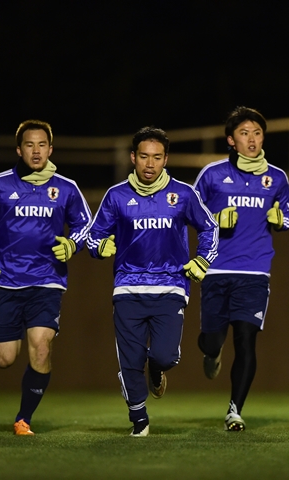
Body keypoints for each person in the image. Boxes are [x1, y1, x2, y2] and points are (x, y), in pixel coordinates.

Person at [87, 126, 218, 437]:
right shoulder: (116, 195)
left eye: (156, 157)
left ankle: (157, 371)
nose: (150, 164)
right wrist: (99, 248)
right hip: (127, 287)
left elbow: (209, 228)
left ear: (165, 159)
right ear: (133, 158)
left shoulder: (183, 193)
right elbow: (93, 236)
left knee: (164, 355)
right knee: (130, 360)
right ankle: (139, 420)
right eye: (143, 156)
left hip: (171, 287)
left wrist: (202, 260)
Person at [0, 119, 92, 435]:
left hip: (46, 281)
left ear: (50, 149)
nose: (35, 151)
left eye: (41, 145)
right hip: (6, 281)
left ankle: (24, 418)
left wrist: (72, 244)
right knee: (5, 358)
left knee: (41, 347)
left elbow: (84, 226)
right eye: (29, 145)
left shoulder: (66, 188)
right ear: (19, 149)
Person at [192, 106, 289, 431]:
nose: (251, 139)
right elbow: (189, 212)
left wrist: (282, 220)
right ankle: (212, 352)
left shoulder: (276, 177)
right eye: (244, 133)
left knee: (246, 339)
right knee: (211, 340)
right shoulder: (211, 174)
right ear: (231, 140)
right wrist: (214, 221)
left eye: (257, 133)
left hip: (255, 270)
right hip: (216, 269)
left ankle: (234, 410)